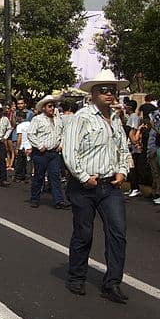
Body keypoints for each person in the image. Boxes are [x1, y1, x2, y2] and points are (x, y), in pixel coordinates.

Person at [61, 69, 132, 303]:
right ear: (92, 93)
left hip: (109, 185)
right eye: (104, 90)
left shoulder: (115, 119)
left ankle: (112, 283)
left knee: (117, 233)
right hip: (85, 186)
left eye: (112, 90)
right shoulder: (81, 118)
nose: (109, 94)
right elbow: (69, 151)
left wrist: (122, 171)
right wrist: (83, 177)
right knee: (84, 233)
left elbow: (123, 148)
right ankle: (76, 276)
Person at [27, 96, 69, 209]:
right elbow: (30, 134)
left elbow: (63, 133)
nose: (52, 108)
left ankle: (59, 200)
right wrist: (39, 145)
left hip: (54, 153)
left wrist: (61, 145)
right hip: (41, 154)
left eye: (53, 106)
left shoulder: (58, 119)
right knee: (39, 176)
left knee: (55, 176)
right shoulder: (37, 119)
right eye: (50, 106)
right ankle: (35, 198)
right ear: (44, 108)